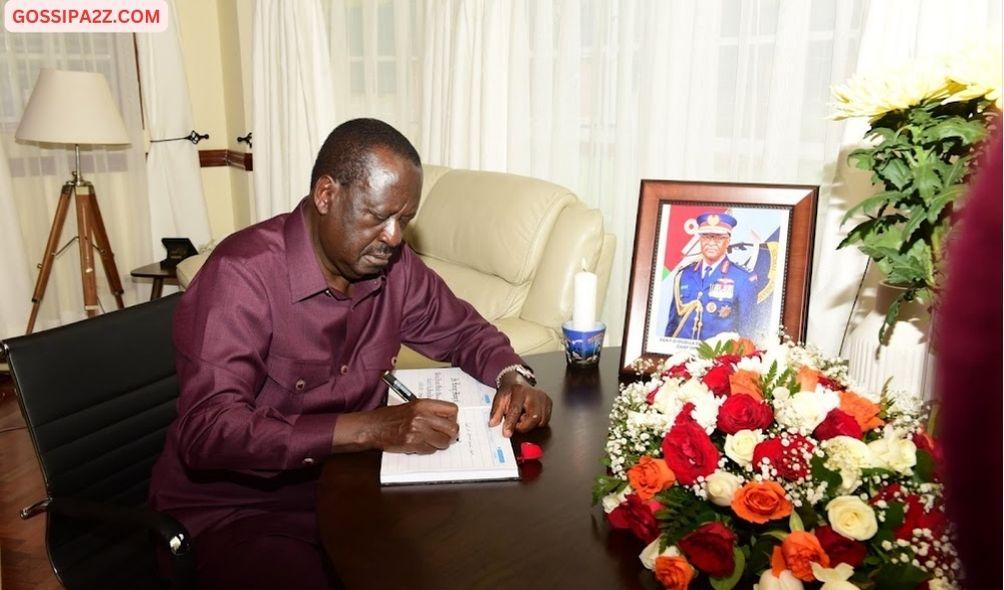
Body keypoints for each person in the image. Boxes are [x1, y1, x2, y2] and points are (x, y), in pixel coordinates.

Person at [148, 118, 553, 589]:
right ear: (326, 195)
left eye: (405, 220)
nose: (395, 237)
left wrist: (513, 376)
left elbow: (465, 332)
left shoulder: (393, 267)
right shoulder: (242, 277)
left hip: (348, 491)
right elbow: (209, 431)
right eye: (379, 216)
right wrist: (368, 429)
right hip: (236, 512)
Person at [664, 213, 757, 340]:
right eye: (706, 237)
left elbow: (747, 332)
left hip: (716, 357)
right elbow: (672, 325)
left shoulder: (742, 279)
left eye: (719, 238)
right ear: (700, 239)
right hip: (680, 353)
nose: (711, 243)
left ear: (728, 241)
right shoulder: (684, 275)